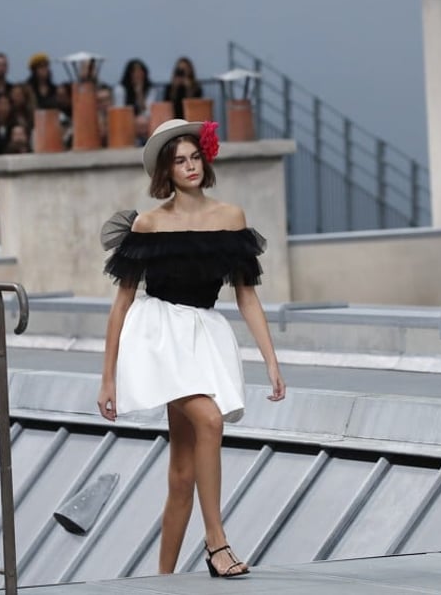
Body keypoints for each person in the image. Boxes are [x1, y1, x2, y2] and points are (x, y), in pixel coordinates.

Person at [99, 118, 285, 577]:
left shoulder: (231, 218)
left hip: (202, 337)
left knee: (182, 473)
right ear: (167, 170)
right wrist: (107, 377)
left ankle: (164, 579)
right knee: (210, 418)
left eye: (194, 157)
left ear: (205, 159)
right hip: (155, 336)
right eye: (179, 160)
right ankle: (217, 542)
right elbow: (121, 304)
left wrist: (272, 361)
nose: (190, 166)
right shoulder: (149, 224)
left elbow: (247, 297)